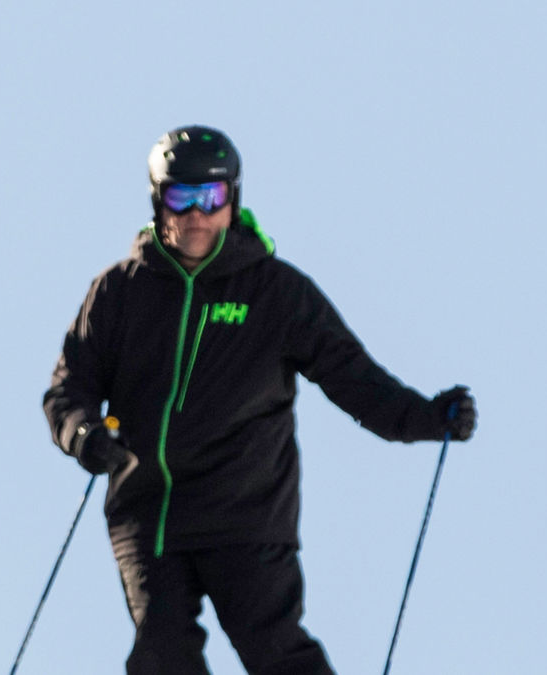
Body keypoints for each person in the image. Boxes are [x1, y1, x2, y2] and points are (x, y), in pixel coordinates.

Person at [42, 126, 477, 675]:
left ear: (233, 200)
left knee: (271, 646)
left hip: (244, 512)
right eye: (181, 196)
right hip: (149, 512)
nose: (197, 213)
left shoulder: (274, 291)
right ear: (158, 201)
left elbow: (353, 378)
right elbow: (69, 387)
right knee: (160, 654)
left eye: (212, 196)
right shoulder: (120, 291)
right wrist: (84, 435)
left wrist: (426, 418)